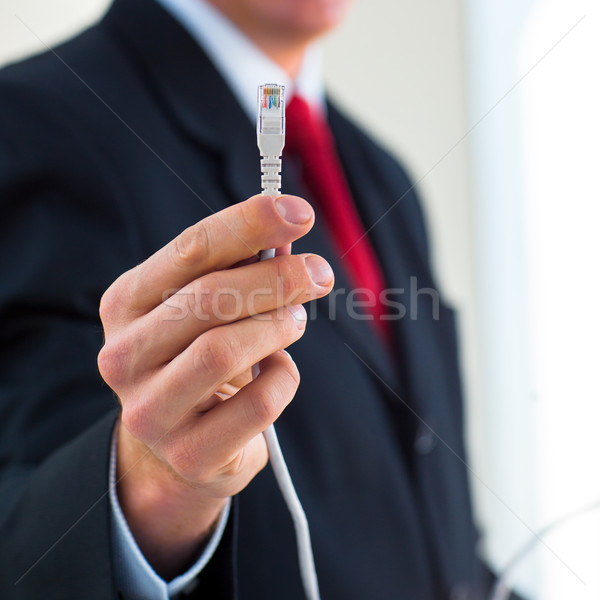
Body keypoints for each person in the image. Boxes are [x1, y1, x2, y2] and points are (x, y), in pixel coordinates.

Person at [0, 0, 511, 598]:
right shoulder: (33, 121)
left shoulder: (383, 172)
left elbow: (439, 532)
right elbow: (27, 536)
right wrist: (156, 492)